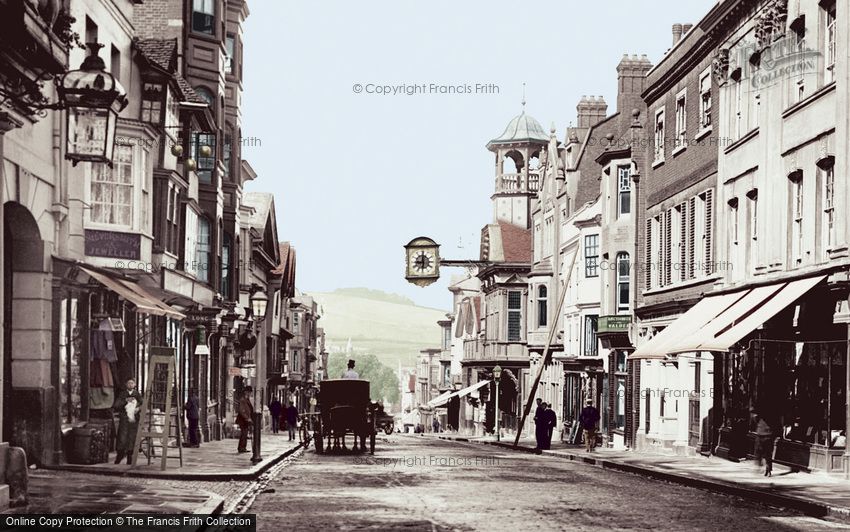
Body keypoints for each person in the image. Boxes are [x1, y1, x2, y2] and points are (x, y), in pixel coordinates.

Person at [114, 378, 142, 464]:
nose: (130, 385)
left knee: (132, 437)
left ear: (135, 385)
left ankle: (130, 456)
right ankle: (120, 455)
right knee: (122, 437)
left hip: (134, 419)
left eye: (132, 383)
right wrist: (125, 401)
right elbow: (116, 405)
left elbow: (143, 404)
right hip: (125, 418)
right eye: (129, 383)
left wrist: (138, 408)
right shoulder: (122, 394)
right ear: (126, 384)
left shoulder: (137, 394)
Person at [752, 408, 775, 477]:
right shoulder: (772, 411)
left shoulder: (760, 410)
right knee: (768, 453)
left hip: (761, 432)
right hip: (769, 433)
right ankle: (768, 469)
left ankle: (760, 465)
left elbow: (755, 418)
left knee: (759, 450)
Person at [236, 387, 254, 453]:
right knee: (244, 433)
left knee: (244, 434)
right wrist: (247, 418)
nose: (250, 393)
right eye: (249, 392)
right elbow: (242, 410)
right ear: (246, 392)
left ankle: (242, 447)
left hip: (245, 420)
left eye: (250, 392)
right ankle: (241, 448)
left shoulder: (247, 399)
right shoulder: (243, 399)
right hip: (243, 420)